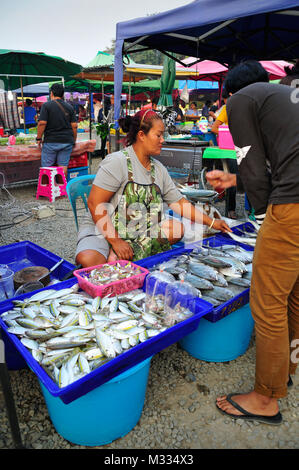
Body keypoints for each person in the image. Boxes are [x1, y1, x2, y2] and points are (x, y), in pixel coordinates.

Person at [206, 60, 299, 426]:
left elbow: (258, 170)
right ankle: (287, 369)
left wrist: (263, 223)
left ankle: (265, 399)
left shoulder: (242, 100)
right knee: (293, 293)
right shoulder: (283, 96)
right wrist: (237, 182)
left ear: (230, 93)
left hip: (292, 206)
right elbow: (277, 162)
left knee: (268, 301)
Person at [75, 108, 230, 267]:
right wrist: (115, 241)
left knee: (176, 228)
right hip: (103, 228)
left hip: (137, 232)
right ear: (141, 135)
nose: (162, 140)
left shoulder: (159, 169)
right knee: (89, 260)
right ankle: (120, 256)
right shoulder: (117, 162)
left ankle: (122, 257)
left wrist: (211, 222)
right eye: (159, 135)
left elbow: (180, 203)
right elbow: (95, 203)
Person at [36, 83, 77, 178]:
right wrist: (73, 140)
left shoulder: (46, 106)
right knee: (63, 167)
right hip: (67, 141)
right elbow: (74, 126)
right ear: (62, 94)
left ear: (51, 93)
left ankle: (47, 191)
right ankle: (61, 189)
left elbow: (42, 123)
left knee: (47, 168)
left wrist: (38, 138)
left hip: (51, 141)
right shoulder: (69, 107)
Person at [211, 89, 237, 219]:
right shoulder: (227, 109)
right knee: (232, 178)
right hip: (231, 150)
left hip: (248, 148)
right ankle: (231, 209)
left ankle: (253, 211)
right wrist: (227, 134)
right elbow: (214, 128)